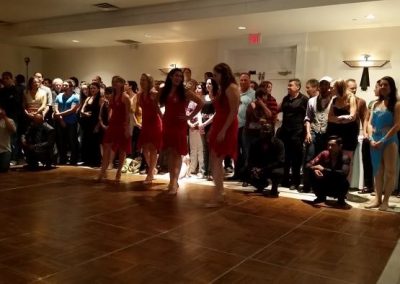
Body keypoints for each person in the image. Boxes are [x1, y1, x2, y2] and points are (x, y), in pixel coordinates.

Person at [159, 68, 203, 194]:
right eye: (176, 75)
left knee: (177, 153)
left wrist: (189, 116)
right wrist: (160, 114)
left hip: (179, 124)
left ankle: (173, 182)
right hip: (167, 123)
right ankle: (173, 181)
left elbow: (200, 103)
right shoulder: (165, 90)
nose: (178, 78)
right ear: (171, 77)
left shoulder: (184, 91)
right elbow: (154, 102)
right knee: (169, 152)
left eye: (180, 76)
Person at [206, 63, 240, 207]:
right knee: (215, 159)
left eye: (216, 74)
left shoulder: (231, 88)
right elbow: (219, 110)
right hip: (220, 123)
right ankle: (219, 192)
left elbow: (233, 111)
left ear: (223, 74)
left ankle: (218, 194)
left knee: (216, 159)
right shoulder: (222, 88)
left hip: (226, 125)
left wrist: (223, 130)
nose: (214, 77)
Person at [365, 76, 400, 211]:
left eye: (386, 85)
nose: (383, 87)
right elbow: (369, 123)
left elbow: (397, 125)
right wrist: (371, 138)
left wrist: (383, 139)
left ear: (391, 87)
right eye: (381, 85)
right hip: (374, 140)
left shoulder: (397, 104)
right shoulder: (374, 104)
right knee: (377, 171)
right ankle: (377, 199)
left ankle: (386, 201)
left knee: (390, 172)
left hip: (389, 141)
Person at [97, 76, 131, 182]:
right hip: (113, 125)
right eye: (113, 82)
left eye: (117, 82)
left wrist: (126, 128)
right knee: (106, 146)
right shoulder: (112, 96)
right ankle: (103, 171)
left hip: (122, 125)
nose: (114, 84)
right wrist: (109, 119)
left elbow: (128, 114)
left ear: (122, 84)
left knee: (121, 149)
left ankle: (119, 172)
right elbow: (111, 109)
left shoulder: (125, 97)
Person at [303, 76, 333, 192]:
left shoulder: (333, 100)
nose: (324, 87)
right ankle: (307, 184)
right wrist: (308, 133)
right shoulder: (312, 100)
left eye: (326, 85)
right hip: (314, 132)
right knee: (309, 158)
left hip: (326, 134)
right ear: (319, 86)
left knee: (325, 160)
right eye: (322, 84)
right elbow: (308, 118)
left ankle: (322, 186)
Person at [279, 78, 308, 190]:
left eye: (291, 85)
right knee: (285, 157)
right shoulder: (286, 98)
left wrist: (305, 133)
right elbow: (280, 109)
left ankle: (295, 182)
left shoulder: (304, 99)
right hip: (285, 132)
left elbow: (307, 117)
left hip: (297, 133)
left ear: (298, 87)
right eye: (288, 85)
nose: (288, 87)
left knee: (296, 158)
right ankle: (285, 179)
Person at [306, 136, 350, 206]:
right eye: (328, 145)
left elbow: (344, 173)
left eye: (332, 145)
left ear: (340, 146)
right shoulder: (324, 153)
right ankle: (320, 197)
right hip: (325, 182)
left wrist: (324, 169)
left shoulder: (345, 158)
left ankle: (341, 199)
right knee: (311, 173)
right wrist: (315, 169)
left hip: (337, 185)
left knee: (344, 181)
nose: (329, 147)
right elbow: (308, 165)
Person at [244, 123, 284, 197]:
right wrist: (253, 168)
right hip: (259, 166)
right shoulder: (255, 143)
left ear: (272, 132)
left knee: (278, 172)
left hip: (271, 167)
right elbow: (251, 158)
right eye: (263, 130)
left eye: (267, 131)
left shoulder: (278, 143)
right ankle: (260, 185)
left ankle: (274, 189)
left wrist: (263, 169)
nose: (265, 133)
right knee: (245, 170)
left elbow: (280, 161)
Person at [137, 73, 162, 184]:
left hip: (155, 123)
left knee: (153, 148)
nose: (142, 82)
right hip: (146, 123)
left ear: (149, 82)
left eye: (144, 80)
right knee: (144, 148)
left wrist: (164, 120)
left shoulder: (154, 93)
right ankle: (152, 169)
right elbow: (137, 108)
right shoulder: (140, 94)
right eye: (141, 80)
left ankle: (150, 173)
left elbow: (158, 109)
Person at [79, 82, 102, 167]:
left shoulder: (100, 99)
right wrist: (85, 114)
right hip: (87, 123)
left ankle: (96, 161)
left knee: (95, 143)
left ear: (98, 89)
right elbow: (81, 110)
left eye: (94, 88)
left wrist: (98, 125)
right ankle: (88, 160)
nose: (92, 90)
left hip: (95, 123)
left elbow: (101, 113)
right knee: (87, 142)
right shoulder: (88, 98)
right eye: (91, 88)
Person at [187, 83, 205, 178]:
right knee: (193, 149)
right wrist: (190, 124)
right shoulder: (192, 102)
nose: (198, 90)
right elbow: (188, 114)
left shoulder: (204, 101)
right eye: (197, 88)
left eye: (200, 88)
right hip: (192, 128)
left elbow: (203, 116)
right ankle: (192, 168)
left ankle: (202, 169)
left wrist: (197, 124)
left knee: (201, 149)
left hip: (201, 128)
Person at [0, 107, 16, 172]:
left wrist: (4, 117)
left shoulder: (10, 121)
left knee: (4, 168)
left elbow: (13, 130)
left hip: (5, 150)